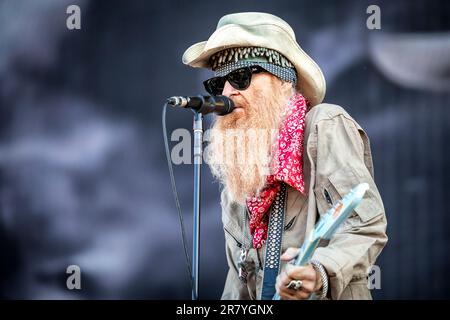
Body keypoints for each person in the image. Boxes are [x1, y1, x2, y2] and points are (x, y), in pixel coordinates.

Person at [182, 12, 388, 300]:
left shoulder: (323, 125)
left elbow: (366, 226)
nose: (227, 91)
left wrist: (319, 272)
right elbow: (240, 275)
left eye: (240, 77)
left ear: (283, 81)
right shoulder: (241, 167)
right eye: (218, 84)